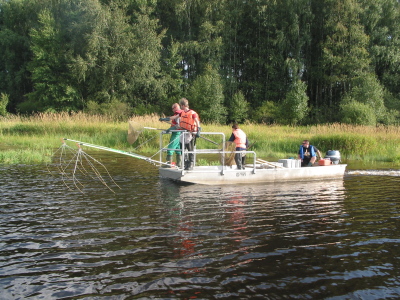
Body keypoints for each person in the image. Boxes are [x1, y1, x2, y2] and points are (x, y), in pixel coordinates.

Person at [160, 98, 201, 171]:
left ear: (182, 105)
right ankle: (185, 163)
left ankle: (191, 163)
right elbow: (174, 117)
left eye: (181, 105)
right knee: (182, 148)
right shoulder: (182, 113)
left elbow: (196, 121)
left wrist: (198, 130)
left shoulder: (192, 113)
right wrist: (165, 119)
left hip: (190, 133)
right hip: (183, 132)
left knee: (189, 148)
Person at [159, 103, 183, 168]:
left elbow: (179, 125)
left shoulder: (179, 113)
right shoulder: (180, 113)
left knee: (170, 147)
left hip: (177, 133)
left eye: (172, 108)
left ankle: (168, 164)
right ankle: (179, 164)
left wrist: (171, 128)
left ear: (175, 107)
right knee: (178, 148)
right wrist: (165, 119)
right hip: (179, 133)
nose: (172, 110)